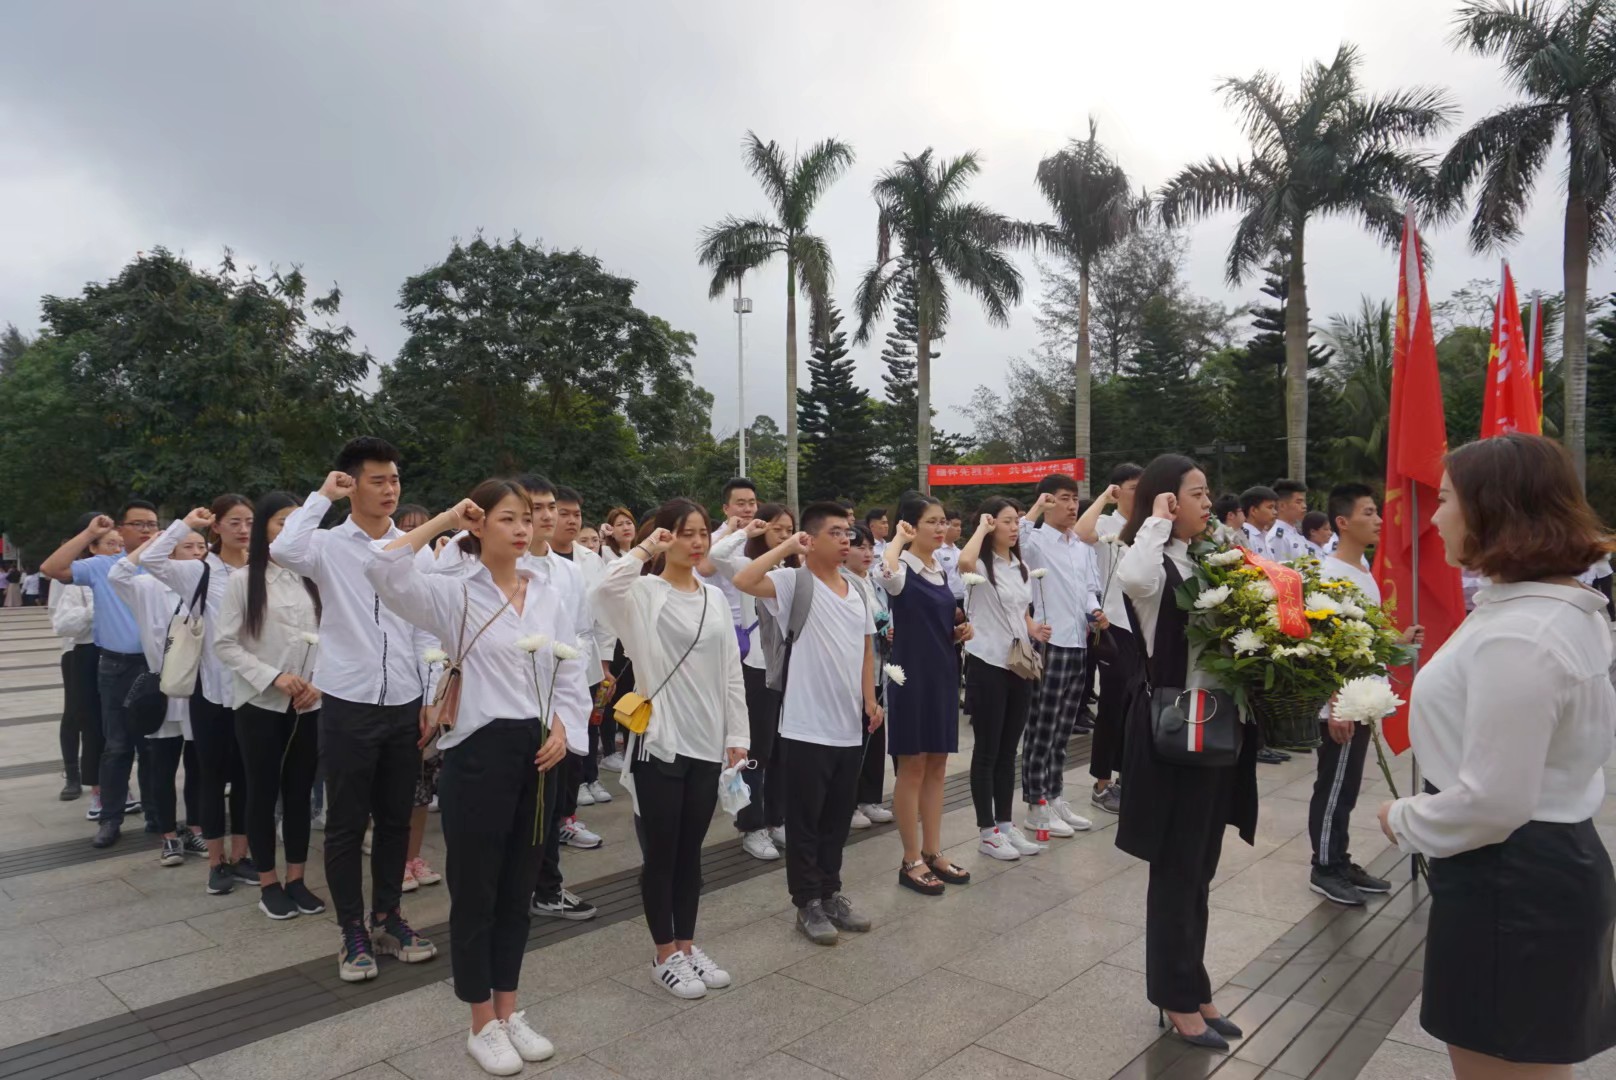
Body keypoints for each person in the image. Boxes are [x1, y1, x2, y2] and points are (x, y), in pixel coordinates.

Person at [1380, 434, 1616, 1076]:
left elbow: (1495, 801)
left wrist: (1401, 819)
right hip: (1535, 870)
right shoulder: (1544, 610)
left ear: (1495, 508)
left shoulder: (1522, 632)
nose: (1433, 516)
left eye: (1448, 499)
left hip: (1513, 880)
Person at [369, 481, 582, 1075]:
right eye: (507, 518)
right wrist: (442, 519)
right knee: (477, 892)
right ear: (479, 524)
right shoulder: (451, 592)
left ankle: (511, 1009)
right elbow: (382, 568)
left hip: (537, 751)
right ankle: (480, 1021)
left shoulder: (544, 590)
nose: (522, 529)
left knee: (518, 889)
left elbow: (570, 668)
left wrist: (563, 728)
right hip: (478, 752)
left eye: (528, 519)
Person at [271, 438, 438, 983]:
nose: (390, 490)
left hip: (402, 699)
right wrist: (322, 494)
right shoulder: (326, 544)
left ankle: (388, 916)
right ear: (351, 484)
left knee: (395, 818)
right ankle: (352, 931)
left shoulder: (413, 546)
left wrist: (428, 694)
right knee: (346, 823)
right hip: (347, 698)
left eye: (394, 480)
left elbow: (419, 623)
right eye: (377, 480)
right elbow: (283, 549)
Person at [1116, 454, 1257, 1052]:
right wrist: (1154, 520)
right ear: (1167, 501)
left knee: (1199, 866)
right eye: (1194, 495)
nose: (1208, 503)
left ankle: (1193, 984)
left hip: (1216, 730)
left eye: (1206, 493)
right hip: (1174, 733)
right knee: (1175, 870)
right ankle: (1174, 996)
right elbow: (1133, 581)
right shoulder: (1150, 564)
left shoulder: (1206, 558)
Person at [594, 499, 748, 1000]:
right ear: (665, 537)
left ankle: (687, 945)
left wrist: (736, 736)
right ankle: (664, 954)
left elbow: (731, 672)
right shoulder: (644, 592)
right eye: (685, 533)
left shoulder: (714, 598)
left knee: (690, 853)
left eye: (702, 532)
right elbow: (603, 588)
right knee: (660, 853)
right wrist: (642, 548)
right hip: (659, 741)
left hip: (706, 742)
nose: (697, 541)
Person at [734, 504, 880, 944]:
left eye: (847, 533)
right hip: (804, 725)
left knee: (837, 819)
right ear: (810, 539)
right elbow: (743, 580)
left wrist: (871, 699)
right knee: (804, 821)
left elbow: (867, 648)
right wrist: (785, 545)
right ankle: (807, 902)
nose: (845, 540)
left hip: (848, 726)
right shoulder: (791, 582)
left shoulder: (856, 588)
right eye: (834, 532)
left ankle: (831, 892)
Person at [1303, 484, 1423, 907]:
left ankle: (1340, 858)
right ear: (1342, 522)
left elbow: (1363, 638)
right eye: (1368, 512)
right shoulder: (1327, 573)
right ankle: (1324, 866)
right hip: (1341, 704)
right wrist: (1337, 704)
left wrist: (1398, 640)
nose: (1377, 520)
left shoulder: (1363, 570)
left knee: (1347, 785)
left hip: (1361, 696)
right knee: (1333, 785)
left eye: (1377, 512)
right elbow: (1323, 646)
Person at [213, 491, 328, 920]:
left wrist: (318, 682)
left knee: (299, 793)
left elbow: (334, 638)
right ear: (264, 530)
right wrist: (274, 677)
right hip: (260, 703)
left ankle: (296, 878)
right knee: (262, 794)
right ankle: (268, 882)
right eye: (282, 522)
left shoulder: (313, 579)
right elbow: (225, 643)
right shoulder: (246, 580)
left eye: (299, 522)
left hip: (308, 705)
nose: (292, 530)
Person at [142, 496, 254, 894]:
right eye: (235, 522)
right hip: (211, 690)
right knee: (210, 777)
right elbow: (151, 561)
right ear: (217, 528)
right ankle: (216, 862)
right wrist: (183, 523)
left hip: (255, 689)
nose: (244, 529)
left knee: (246, 777)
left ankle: (242, 856)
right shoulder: (200, 572)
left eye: (249, 522)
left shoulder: (263, 570)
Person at [40, 500, 163, 847]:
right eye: (137, 524)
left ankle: (158, 815)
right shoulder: (101, 566)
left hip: (158, 666)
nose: (145, 530)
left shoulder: (166, 564)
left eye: (151, 524)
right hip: (116, 665)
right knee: (117, 746)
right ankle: (110, 818)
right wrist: (89, 533)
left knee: (154, 746)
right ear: (120, 530)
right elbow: (52, 567)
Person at [876, 494, 974, 895]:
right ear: (910, 526)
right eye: (930, 522)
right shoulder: (902, 567)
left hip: (943, 674)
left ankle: (934, 851)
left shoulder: (937, 569)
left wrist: (958, 632)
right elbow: (887, 575)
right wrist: (897, 539)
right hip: (909, 677)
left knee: (937, 765)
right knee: (912, 767)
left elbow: (934, 620)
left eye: (941, 521)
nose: (940, 527)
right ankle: (910, 859)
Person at [959, 498, 1048, 861]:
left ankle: (1006, 825)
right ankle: (986, 831)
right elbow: (964, 562)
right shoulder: (979, 563)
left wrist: (1033, 629)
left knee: (1010, 749)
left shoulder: (1020, 565)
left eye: (1016, 522)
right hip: (986, 662)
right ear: (991, 524)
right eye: (1007, 522)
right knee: (987, 750)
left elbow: (1020, 608)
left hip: (1018, 664)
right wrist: (981, 527)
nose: (1014, 528)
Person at [107, 532, 203, 869]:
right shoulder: (147, 587)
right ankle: (167, 836)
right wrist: (152, 543)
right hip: (163, 690)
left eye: (201, 546)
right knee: (162, 768)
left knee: (198, 768)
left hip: (201, 690)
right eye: (187, 546)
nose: (196, 552)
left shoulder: (209, 585)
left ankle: (195, 828)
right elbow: (117, 575)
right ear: (170, 551)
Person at [708, 502, 796, 861]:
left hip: (788, 667)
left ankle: (776, 818)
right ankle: (751, 825)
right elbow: (716, 553)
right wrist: (745, 530)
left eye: (790, 530)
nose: (786, 536)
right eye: (778, 529)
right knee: (755, 750)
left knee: (781, 748)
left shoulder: (791, 570)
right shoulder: (747, 566)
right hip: (756, 667)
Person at [1020, 474, 1104, 837]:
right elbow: (1017, 540)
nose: (1072, 506)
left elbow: (1089, 588)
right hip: (1048, 643)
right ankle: (1035, 804)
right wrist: (1037, 508)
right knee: (1041, 726)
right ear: (1048, 501)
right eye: (1064, 499)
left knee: (1063, 730)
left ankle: (1054, 796)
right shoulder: (1035, 540)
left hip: (1078, 643)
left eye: (1075, 499)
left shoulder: (1081, 547)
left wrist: (1095, 610)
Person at [1076, 464, 1144, 816]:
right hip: (1114, 624)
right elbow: (1080, 531)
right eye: (1133, 487)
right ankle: (1102, 783)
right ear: (1118, 490)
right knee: (1112, 707)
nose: (1140, 492)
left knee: (1138, 709)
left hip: (1145, 629)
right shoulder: (1106, 524)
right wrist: (1104, 497)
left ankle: (1129, 777)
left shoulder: (1150, 528)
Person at [388, 504, 445, 895]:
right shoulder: (383, 557)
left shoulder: (427, 561)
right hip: (383, 693)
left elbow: (429, 633)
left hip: (421, 688)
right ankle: (392, 860)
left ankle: (412, 856)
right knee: (392, 788)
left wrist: (431, 695)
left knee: (421, 783)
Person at [49, 515, 111, 806]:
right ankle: (73, 775)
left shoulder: (110, 564)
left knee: (101, 718)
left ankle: (101, 778)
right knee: (74, 713)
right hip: (75, 650)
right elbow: (57, 616)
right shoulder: (67, 564)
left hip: (105, 648)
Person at [844, 526, 893, 829]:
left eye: (870, 547)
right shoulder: (843, 583)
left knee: (875, 735)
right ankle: (848, 803)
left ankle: (869, 798)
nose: (867, 553)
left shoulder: (873, 582)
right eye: (859, 547)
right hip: (854, 670)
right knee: (856, 736)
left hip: (877, 667)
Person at [936, 508, 966, 603]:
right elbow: (937, 580)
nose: (959, 529)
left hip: (964, 598)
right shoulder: (937, 551)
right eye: (956, 525)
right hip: (946, 599)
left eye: (960, 526)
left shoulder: (960, 552)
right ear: (946, 525)